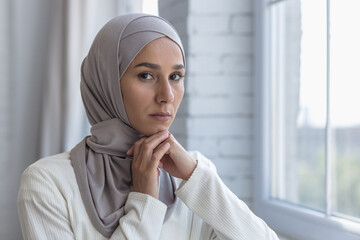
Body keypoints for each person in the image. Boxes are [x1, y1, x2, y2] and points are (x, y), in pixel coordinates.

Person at [17, 13, 279, 240]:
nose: (167, 95)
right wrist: (144, 205)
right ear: (107, 82)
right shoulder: (48, 182)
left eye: (175, 76)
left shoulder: (193, 175)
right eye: (146, 75)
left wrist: (195, 177)